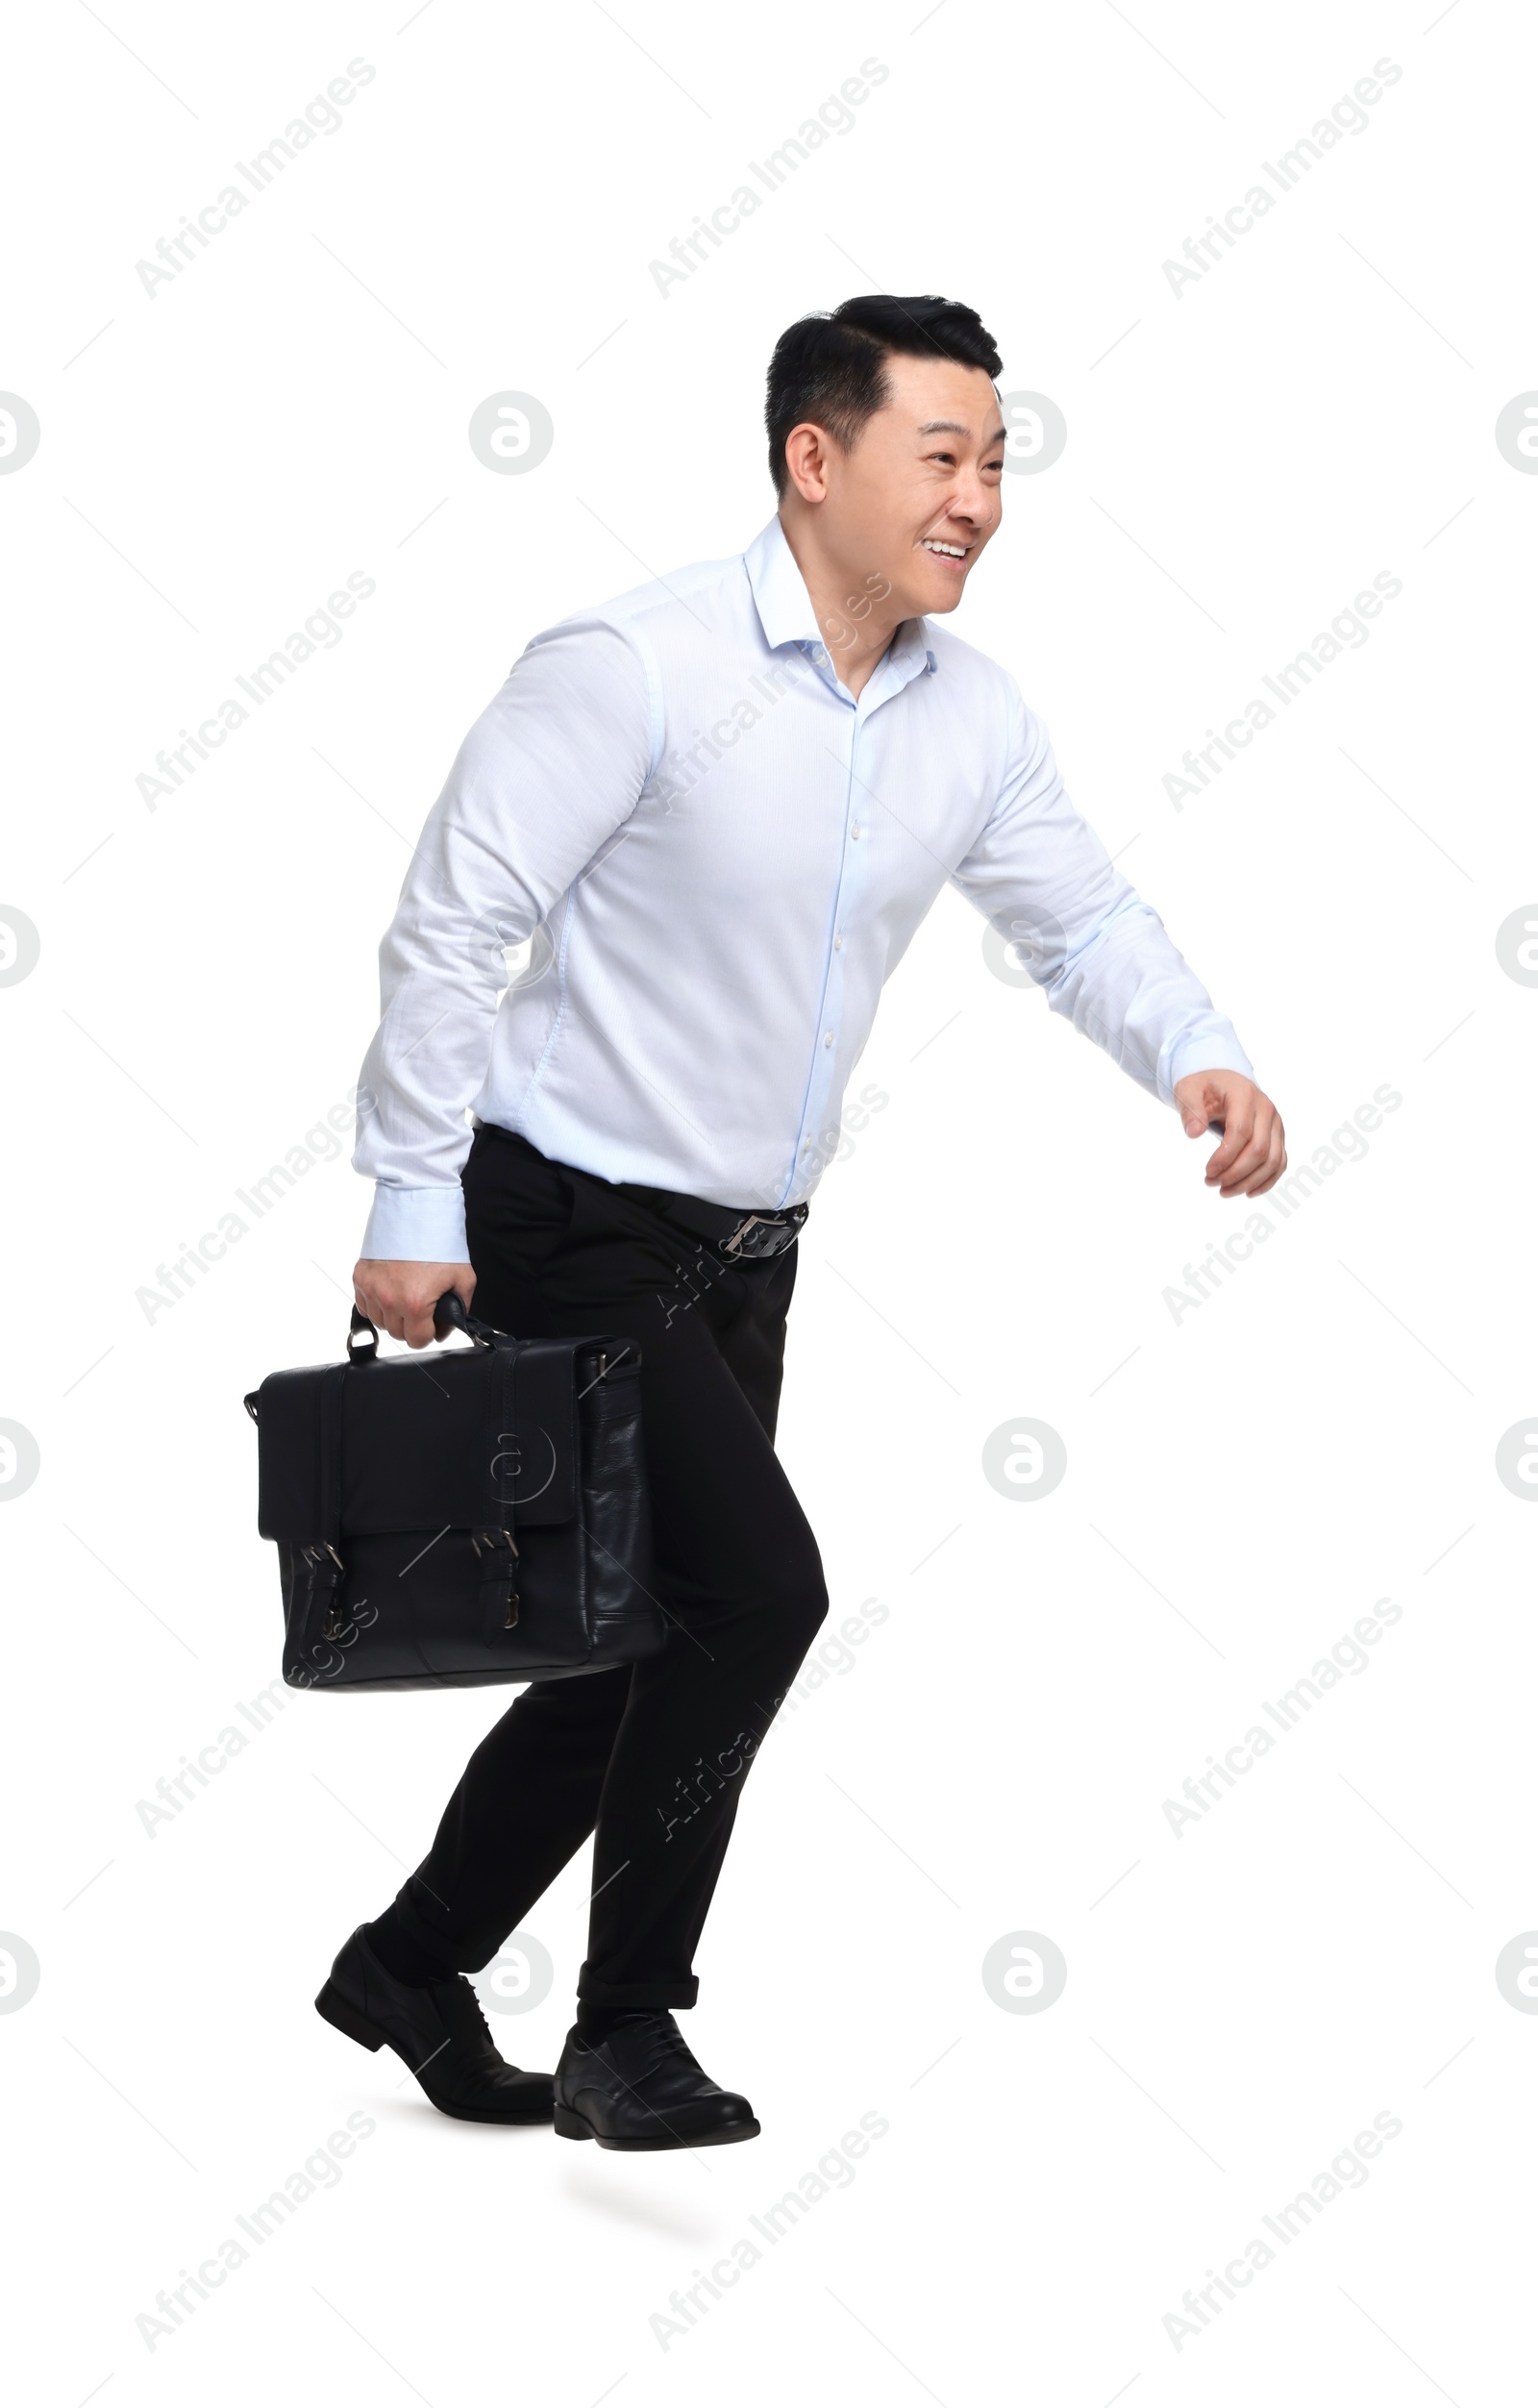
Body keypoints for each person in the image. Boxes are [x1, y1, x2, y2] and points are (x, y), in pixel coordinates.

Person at [317, 293, 1286, 2151]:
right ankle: (626, 2026)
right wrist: (406, 1192)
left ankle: (413, 1961)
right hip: (561, 1212)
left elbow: (1081, 918)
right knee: (760, 1593)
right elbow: (456, 921)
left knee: (639, 1627)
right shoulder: (636, 664)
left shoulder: (972, 715)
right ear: (814, 460)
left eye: (1000, 461)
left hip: (745, 1250)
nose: (982, 497)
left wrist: (1201, 1056)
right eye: (945, 454)